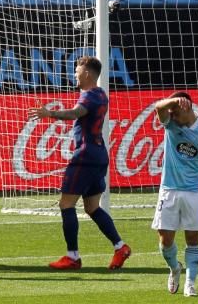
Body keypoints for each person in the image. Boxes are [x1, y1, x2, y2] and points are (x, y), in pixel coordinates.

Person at [28, 56, 131, 271]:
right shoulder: (101, 94)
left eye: (76, 71)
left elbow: (76, 113)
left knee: (66, 204)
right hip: (99, 154)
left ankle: (72, 256)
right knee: (92, 207)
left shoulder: (90, 96)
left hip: (84, 156)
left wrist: (50, 114)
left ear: (86, 74)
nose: (74, 75)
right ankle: (120, 246)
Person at [151, 92, 198, 297]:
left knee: (193, 239)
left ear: (186, 108)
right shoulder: (170, 124)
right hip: (169, 190)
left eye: (175, 113)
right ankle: (175, 268)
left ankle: (190, 283)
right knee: (165, 240)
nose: (172, 117)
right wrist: (173, 102)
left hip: (194, 192)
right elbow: (158, 108)